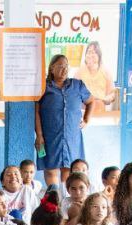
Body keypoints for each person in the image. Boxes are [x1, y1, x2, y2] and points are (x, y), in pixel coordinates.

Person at [34, 53, 93, 190]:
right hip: (50, 136)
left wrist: (86, 119)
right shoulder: (44, 87)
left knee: (68, 168)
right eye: (60, 66)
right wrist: (39, 135)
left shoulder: (77, 85)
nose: (64, 69)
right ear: (52, 68)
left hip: (72, 136)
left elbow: (91, 102)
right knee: (50, 168)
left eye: (66, 66)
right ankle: (54, 197)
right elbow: (36, 111)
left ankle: (66, 198)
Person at [76, 41, 116, 114]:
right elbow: (73, 91)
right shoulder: (79, 71)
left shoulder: (106, 72)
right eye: (89, 52)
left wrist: (107, 98)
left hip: (99, 112)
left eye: (94, 52)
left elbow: (112, 94)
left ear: (99, 55)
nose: (90, 55)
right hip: (82, 111)